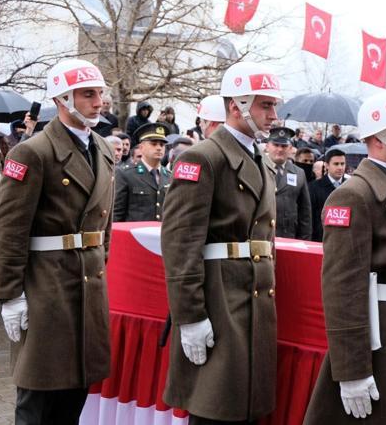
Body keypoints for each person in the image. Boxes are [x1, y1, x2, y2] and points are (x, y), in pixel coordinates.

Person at [0, 58, 115, 423]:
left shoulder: (102, 148)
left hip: (87, 282)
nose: (98, 102)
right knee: (38, 393)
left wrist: (97, 262)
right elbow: (9, 229)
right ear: (63, 99)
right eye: (87, 94)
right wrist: (10, 294)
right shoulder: (32, 152)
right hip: (46, 285)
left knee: (75, 390)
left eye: (100, 94)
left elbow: (103, 225)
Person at [160, 61, 281, 424]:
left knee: (243, 406)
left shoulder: (261, 159)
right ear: (236, 106)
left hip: (253, 295)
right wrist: (190, 317)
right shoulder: (204, 157)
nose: (273, 114)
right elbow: (181, 243)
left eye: (274, 105)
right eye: (265, 105)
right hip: (217, 296)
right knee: (214, 407)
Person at [304, 91, 386, 424]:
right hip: (375, 346)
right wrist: (351, 370)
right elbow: (342, 287)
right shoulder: (354, 195)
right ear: (380, 138)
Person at [113, 123, 171, 222]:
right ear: (141, 147)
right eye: (154, 144)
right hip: (134, 235)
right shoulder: (126, 174)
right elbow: (117, 214)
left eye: (162, 145)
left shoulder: (170, 176)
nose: (159, 148)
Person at [268, 126, 312, 240]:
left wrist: (304, 241)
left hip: (288, 237)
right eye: (276, 145)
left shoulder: (299, 173)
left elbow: (305, 212)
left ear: (291, 148)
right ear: (268, 146)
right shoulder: (257, 168)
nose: (280, 149)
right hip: (262, 238)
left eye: (284, 146)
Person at [309, 148, 347, 242]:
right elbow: (310, 216)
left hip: (344, 239)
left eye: (342, 164)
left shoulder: (351, 186)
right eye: (336, 164)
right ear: (326, 165)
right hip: (320, 238)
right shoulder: (314, 187)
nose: (340, 167)